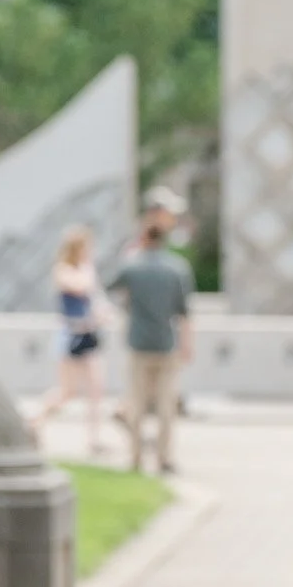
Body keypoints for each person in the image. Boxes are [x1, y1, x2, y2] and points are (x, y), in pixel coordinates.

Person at [108, 199, 194, 474]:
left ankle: (134, 458)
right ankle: (164, 458)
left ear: (144, 237)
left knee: (136, 401)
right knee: (166, 405)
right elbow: (185, 312)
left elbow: (109, 286)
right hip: (166, 344)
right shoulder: (177, 268)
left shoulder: (132, 267)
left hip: (138, 343)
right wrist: (187, 345)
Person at [38, 226, 109, 457]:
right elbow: (80, 286)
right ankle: (35, 421)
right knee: (68, 392)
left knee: (96, 388)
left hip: (88, 333)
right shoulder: (63, 270)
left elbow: (95, 301)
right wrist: (89, 270)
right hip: (70, 335)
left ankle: (94, 439)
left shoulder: (85, 270)